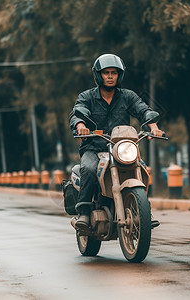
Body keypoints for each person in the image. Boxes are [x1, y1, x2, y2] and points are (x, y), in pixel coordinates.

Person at [69, 53, 163, 233]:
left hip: (122, 148)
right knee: (88, 169)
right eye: (106, 73)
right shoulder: (87, 96)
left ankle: (144, 210)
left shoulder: (127, 96)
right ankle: (84, 213)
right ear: (98, 75)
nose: (110, 76)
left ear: (120, 75)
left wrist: (154, 126)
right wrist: (80, 125)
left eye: (114, 72)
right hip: (94, 147)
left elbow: (143, 110)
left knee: (140, 168)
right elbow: (76, 113)